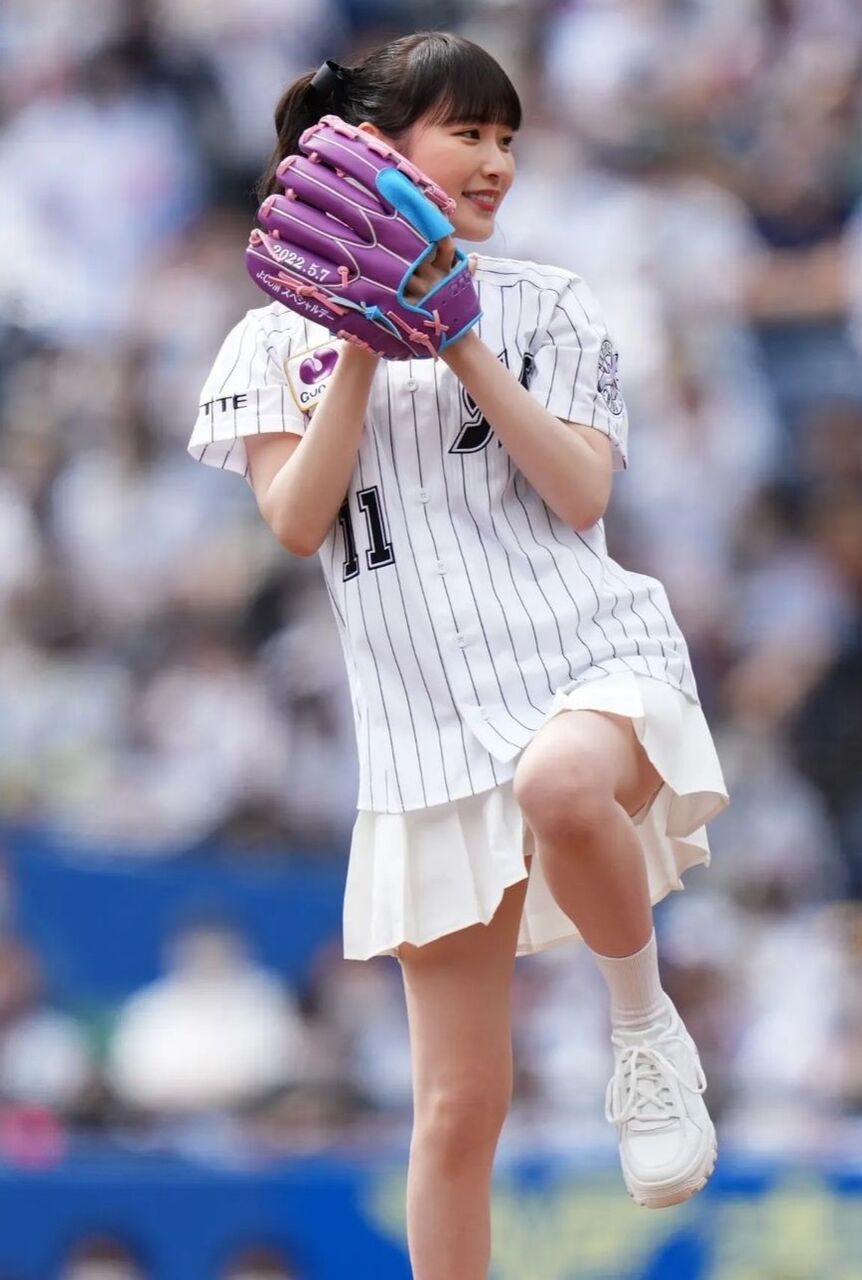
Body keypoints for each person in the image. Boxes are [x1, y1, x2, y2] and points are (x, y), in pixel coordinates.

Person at [187, 29, 730, 1278]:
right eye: (466, 133)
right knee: (454, 1105)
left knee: (561, 783)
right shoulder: (271, 338)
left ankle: (643, 1031)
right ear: (378, 152)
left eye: (506, 138)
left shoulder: (549, 301)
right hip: (422, 724)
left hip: (585, 653)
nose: (495, 160)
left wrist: (457, 329)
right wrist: (363, 332)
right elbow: (297, 521)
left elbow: (582, 492)